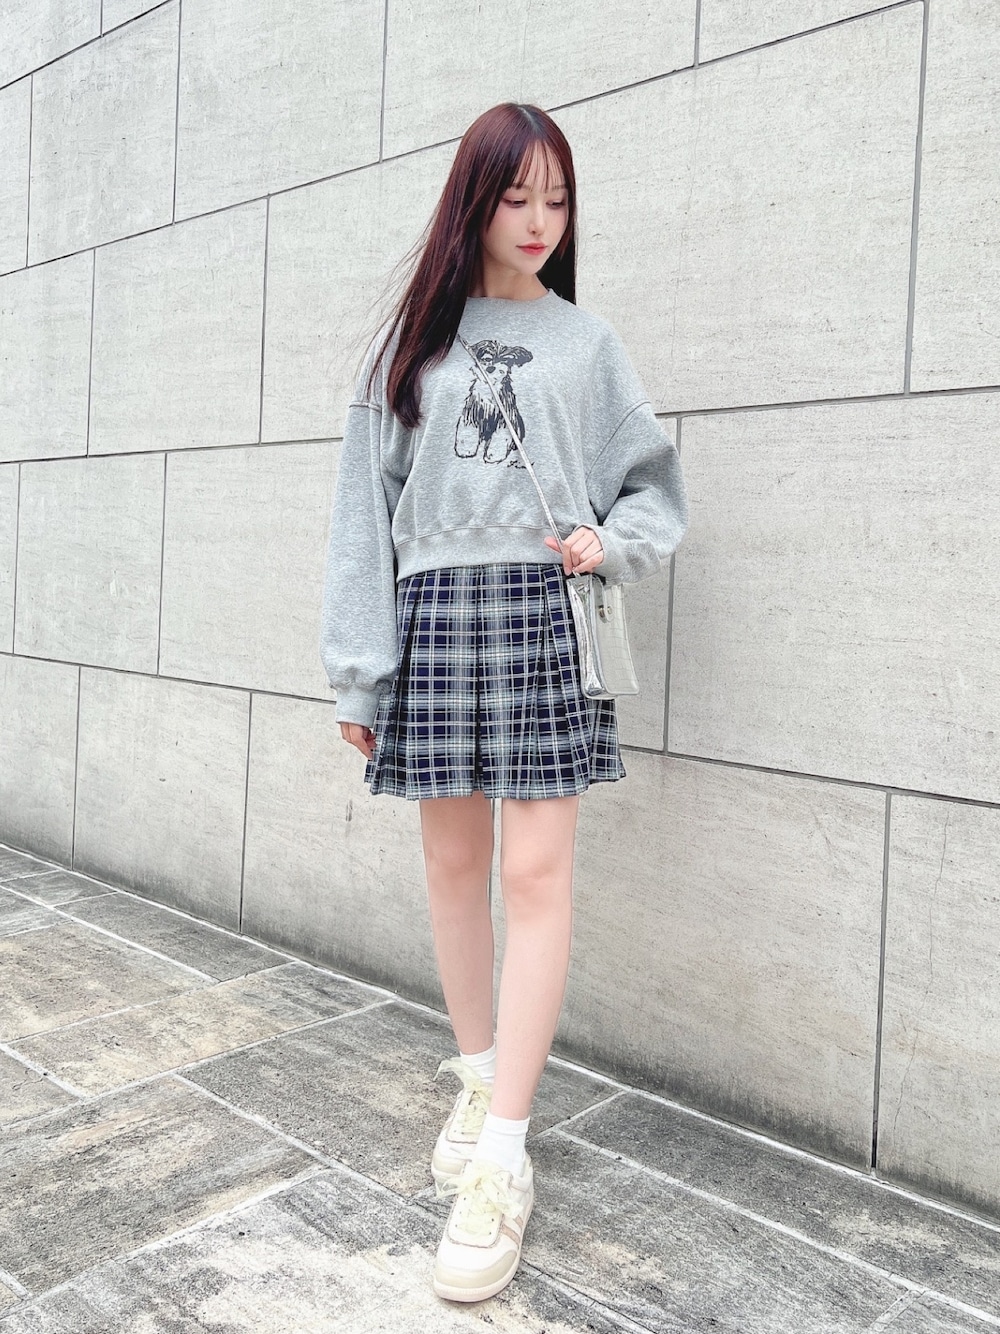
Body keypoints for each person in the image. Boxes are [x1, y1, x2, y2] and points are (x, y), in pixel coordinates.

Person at [320, 101, 688, 1304]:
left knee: (533, 875)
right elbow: (361, 523)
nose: (539, 221)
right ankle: (478, 1077)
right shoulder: (409, 348)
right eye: (517, 195)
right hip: (432, 620)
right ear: (472, 200)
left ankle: (505, 1152)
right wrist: (360, 670)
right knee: (449, 866)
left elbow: (652, 487)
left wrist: (606, 544)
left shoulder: (586, 345)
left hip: (539, 617)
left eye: (557, 199)